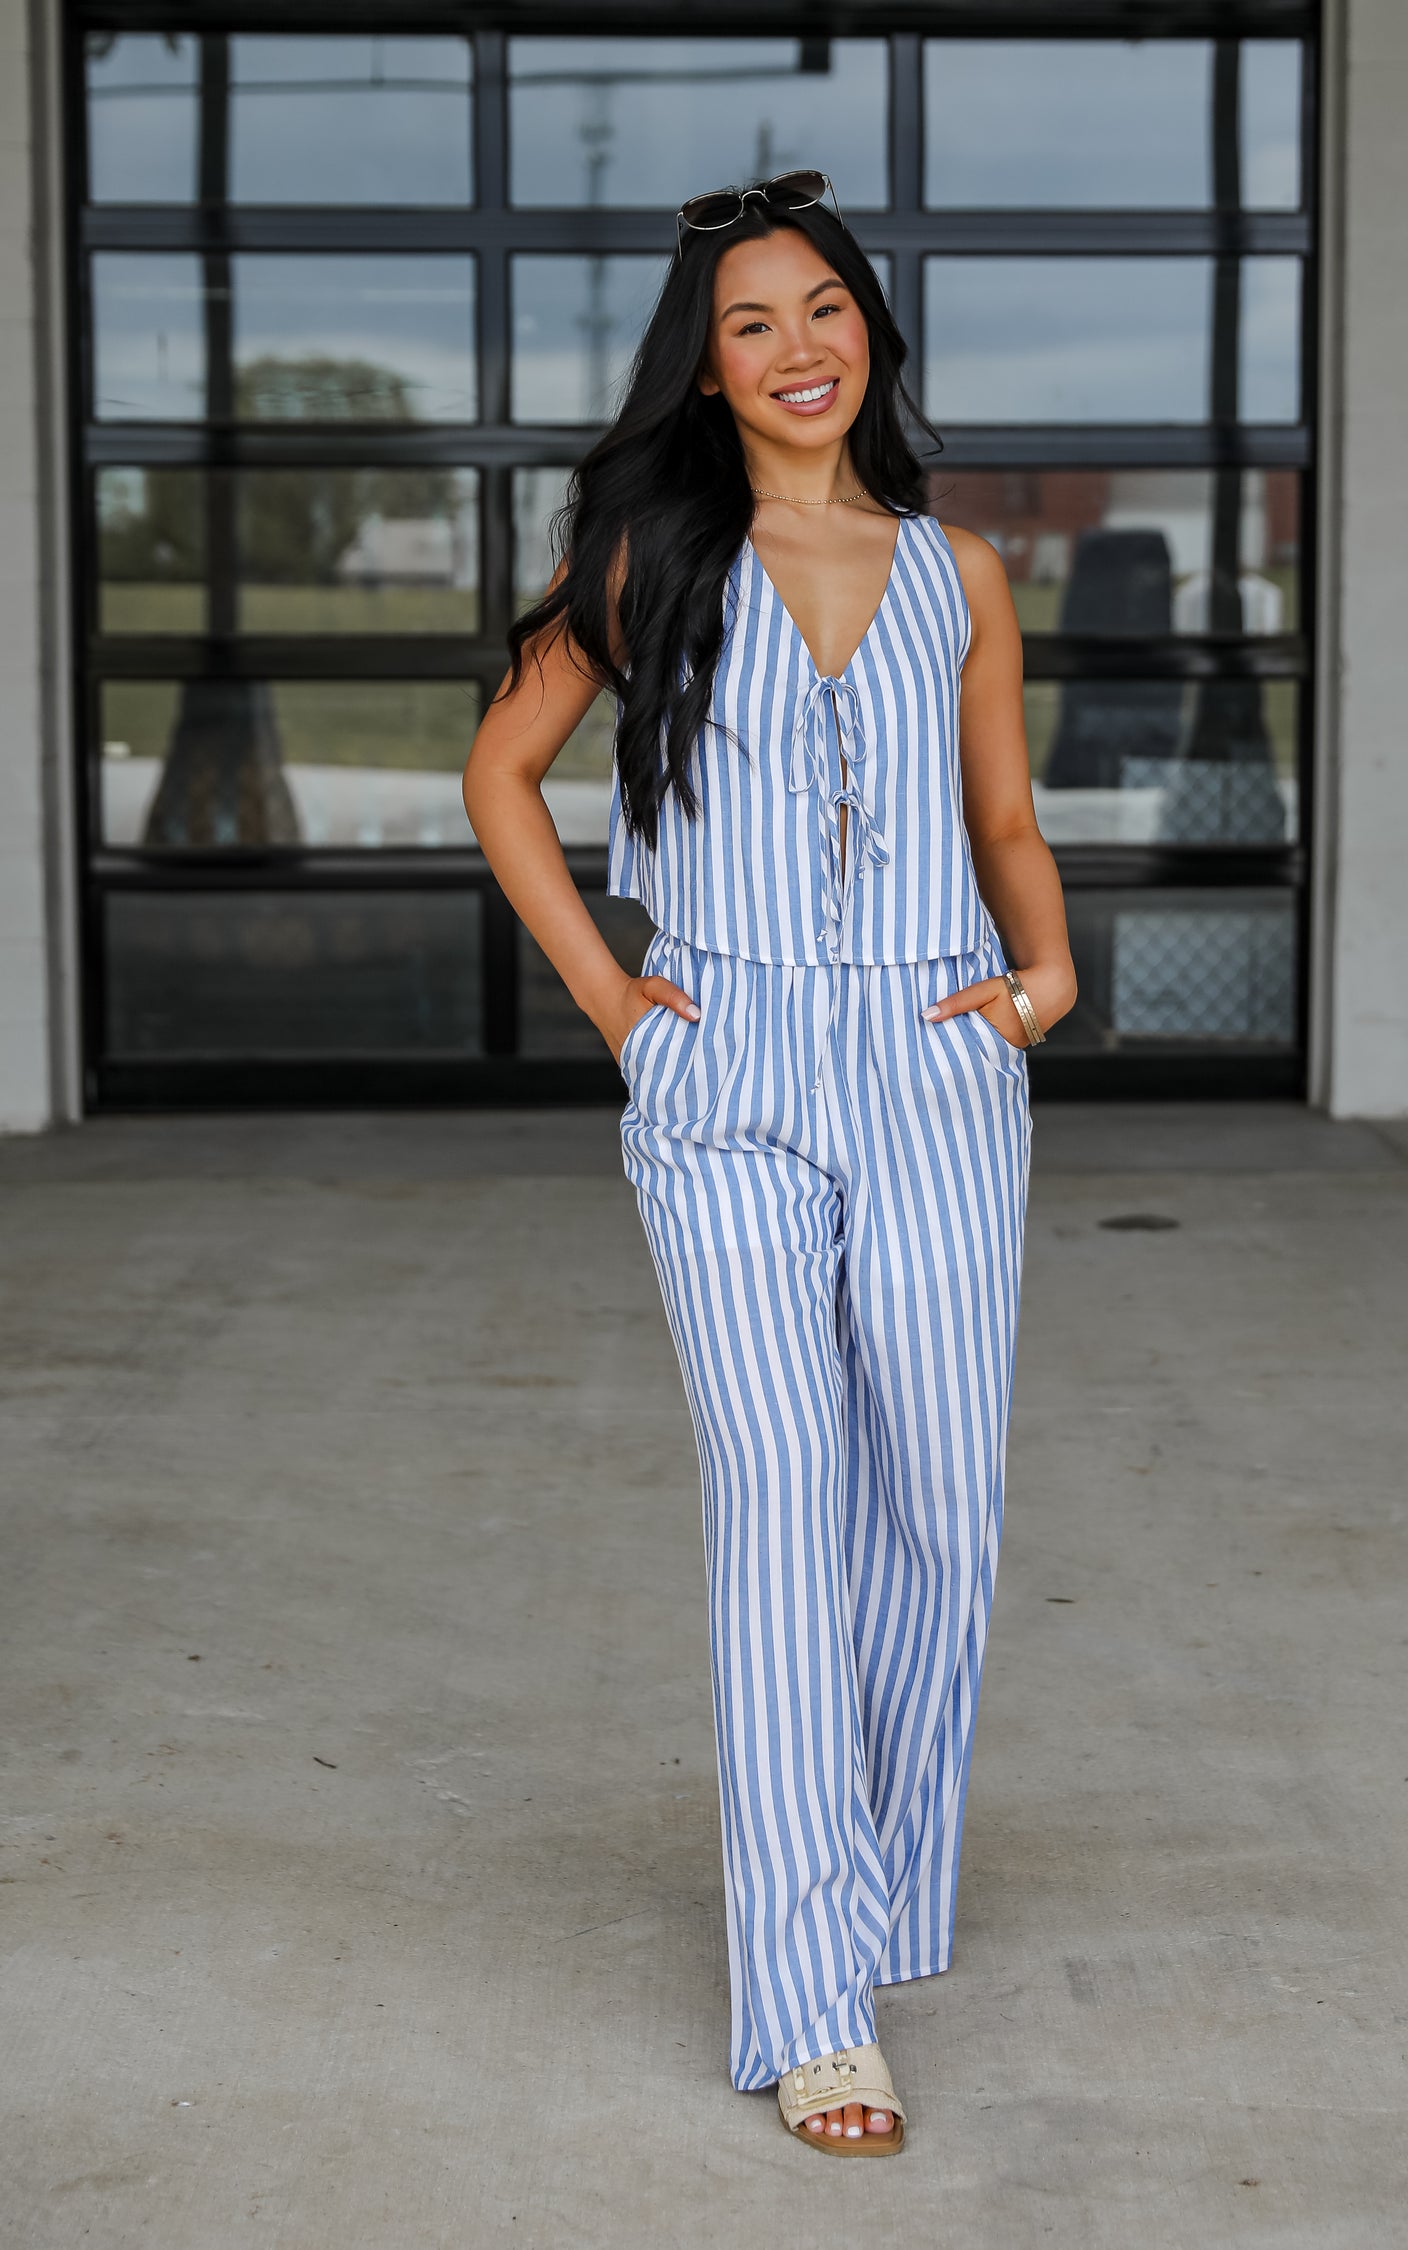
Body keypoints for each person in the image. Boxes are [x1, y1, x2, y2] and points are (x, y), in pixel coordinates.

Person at [463, 169, 1076, 2158]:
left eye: (827, 310)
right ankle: (814, 2003)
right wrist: (620, 1004)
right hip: (724, 1072)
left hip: (934, 1051)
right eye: (752, 323)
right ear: (705, 368)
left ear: (869, 339)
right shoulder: (651, 562)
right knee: (780, 1503)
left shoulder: (958, 573)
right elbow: (501, 768)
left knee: (949, 1511)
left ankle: (881, 1881)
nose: (798, 348)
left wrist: (1048, 967)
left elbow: (1004, 814)